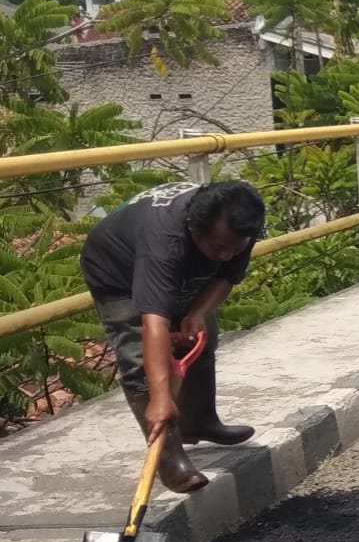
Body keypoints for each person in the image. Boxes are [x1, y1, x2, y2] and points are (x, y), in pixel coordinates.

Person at [78, 180, 266, 493]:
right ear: (195, 228)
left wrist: (196, 313)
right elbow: (154, 324)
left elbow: (227, 274)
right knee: (141, 360)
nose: (227, 254)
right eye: (219, 247)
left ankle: (200, 420)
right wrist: (162, 398)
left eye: (235, 246)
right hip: (117, 272)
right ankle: (168, 458)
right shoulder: (164, 241)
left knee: (201, 337)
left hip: (176, 262)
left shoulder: (239, 225)